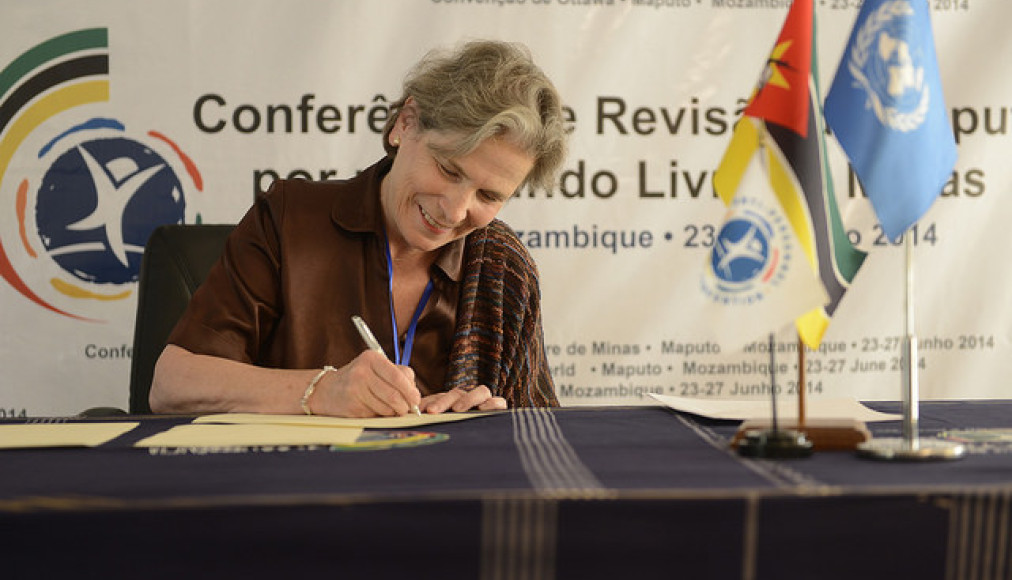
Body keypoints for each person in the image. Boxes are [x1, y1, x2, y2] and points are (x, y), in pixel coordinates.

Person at [149, 40, 568, 418]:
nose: (456, 211)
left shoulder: (504, 266)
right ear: (405, 124)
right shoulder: (289, 217)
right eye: (447, 169)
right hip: (290, 491)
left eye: (489, 196)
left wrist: (496, 421)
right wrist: (319, 392)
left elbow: (541, 436)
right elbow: (172, 385)